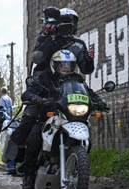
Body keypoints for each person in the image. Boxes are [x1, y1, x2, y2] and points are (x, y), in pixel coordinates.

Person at [15, 50, 87, 180]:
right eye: (62, 64)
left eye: (69, 65)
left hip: (67, 117)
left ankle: (76, 165)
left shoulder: (77, 79)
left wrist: (98, 102)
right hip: (47, 117)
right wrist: (40, 100)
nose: (66, 67)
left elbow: (88, 93)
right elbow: (27, 94)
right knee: (34, 138)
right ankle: (29, 172)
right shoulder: (44, 77)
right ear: (55, 65)